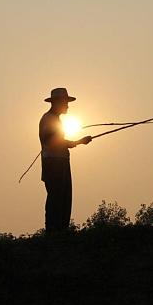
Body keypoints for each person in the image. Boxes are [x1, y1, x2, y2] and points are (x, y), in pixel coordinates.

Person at [39, 88, 92, 233]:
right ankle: (54, 231)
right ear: (57, 102)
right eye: (65, 102)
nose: (68, 106)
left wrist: (76, 142)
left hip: (61, 161)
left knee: (64, 197)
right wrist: (79, 142)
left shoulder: (55, 120)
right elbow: (52, 141)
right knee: (57, 197)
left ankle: (61, 231)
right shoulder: (48, 119)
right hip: (53, 163)